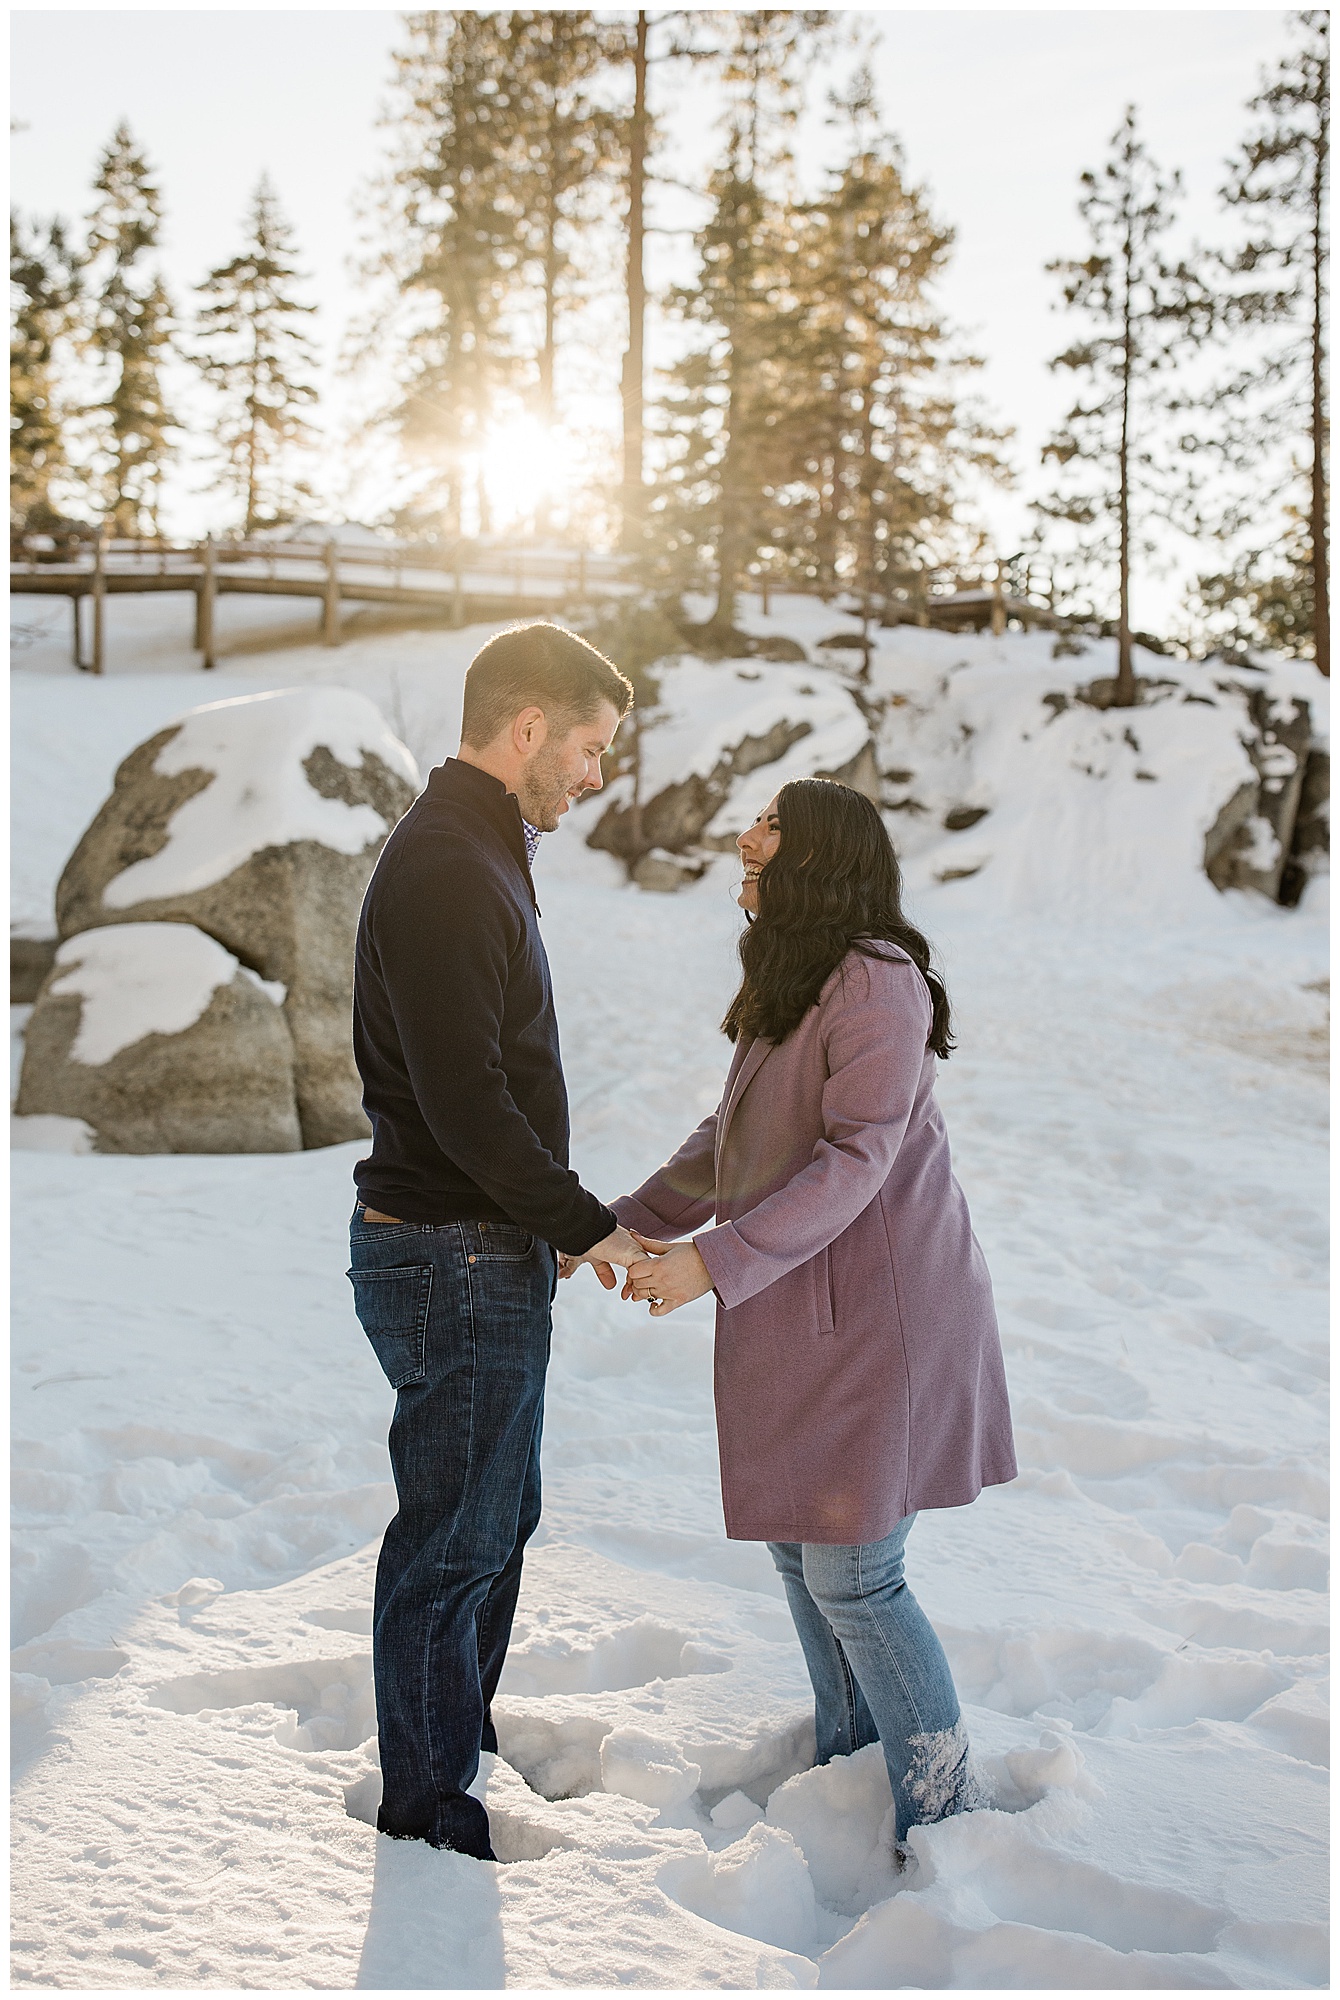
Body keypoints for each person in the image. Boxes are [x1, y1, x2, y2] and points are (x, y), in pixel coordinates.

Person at [603, 777, 1017, 1849]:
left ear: (819, 852)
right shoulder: (797, 972)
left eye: (771, 824)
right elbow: (732, 1129)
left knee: (853, 1565)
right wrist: (621, 1218)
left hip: (888, 1314)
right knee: (801, 1546)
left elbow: (855, 1160)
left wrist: (712, 1260)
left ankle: (940, 1808)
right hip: (805, 1302)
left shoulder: (877, 981)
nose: (747, 837)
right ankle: (848, 1762)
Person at [348, 621, 642, 1859]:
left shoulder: (478, 846)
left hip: (482, 1248)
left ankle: (448, 1744)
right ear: (526, 727)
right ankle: (426, 1804)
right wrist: (582, 1222)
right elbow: (467, 1099)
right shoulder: (450, 867)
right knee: (453, 1536)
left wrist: (546, 1227)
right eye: (585, 746)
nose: (592, 774)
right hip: (452, 1254)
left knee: (492, 1516)